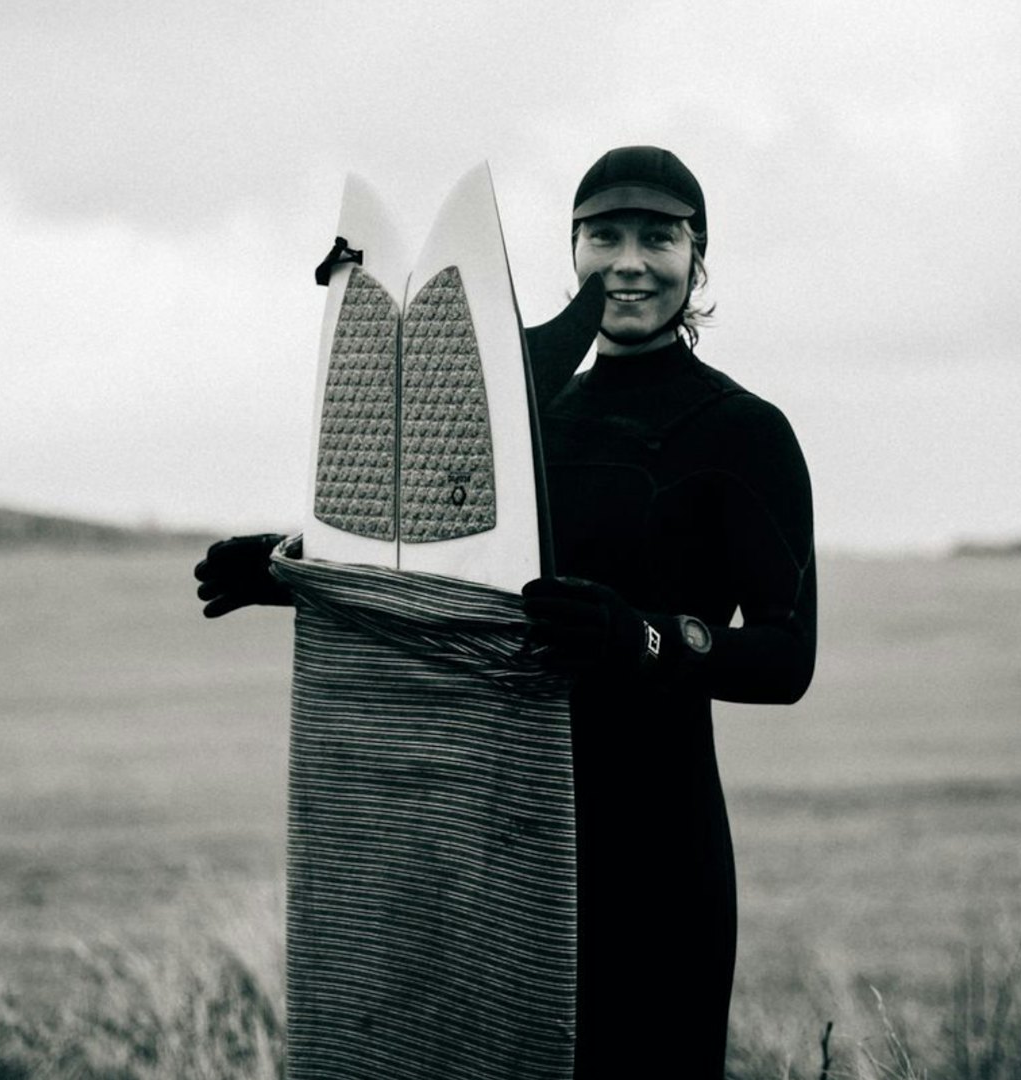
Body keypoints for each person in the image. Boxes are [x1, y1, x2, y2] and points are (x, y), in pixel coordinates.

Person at [196, 145, 816, 1078]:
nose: (630, 261)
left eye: (659, 236)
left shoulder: (743, 432)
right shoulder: (525, 418)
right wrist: (300, 570)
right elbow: (439, 565)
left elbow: (785, 655)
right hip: (498, 834)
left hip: (655, 848)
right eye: (604, 234)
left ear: (698, 255)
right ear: (572, 248)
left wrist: (642, 638)